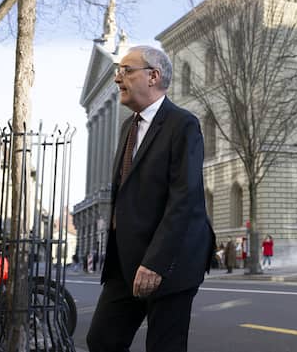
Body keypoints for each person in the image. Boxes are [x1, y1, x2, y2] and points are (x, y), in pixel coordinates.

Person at [86, 45, 215, 352]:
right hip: (127, 263)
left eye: (126, 71)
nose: (118, 78)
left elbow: (185, 199)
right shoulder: (126, 128)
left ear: (153, 76)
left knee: (164, 346)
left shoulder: (183, 124)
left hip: (171, 261)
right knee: (102, 340)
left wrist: (155, 263)